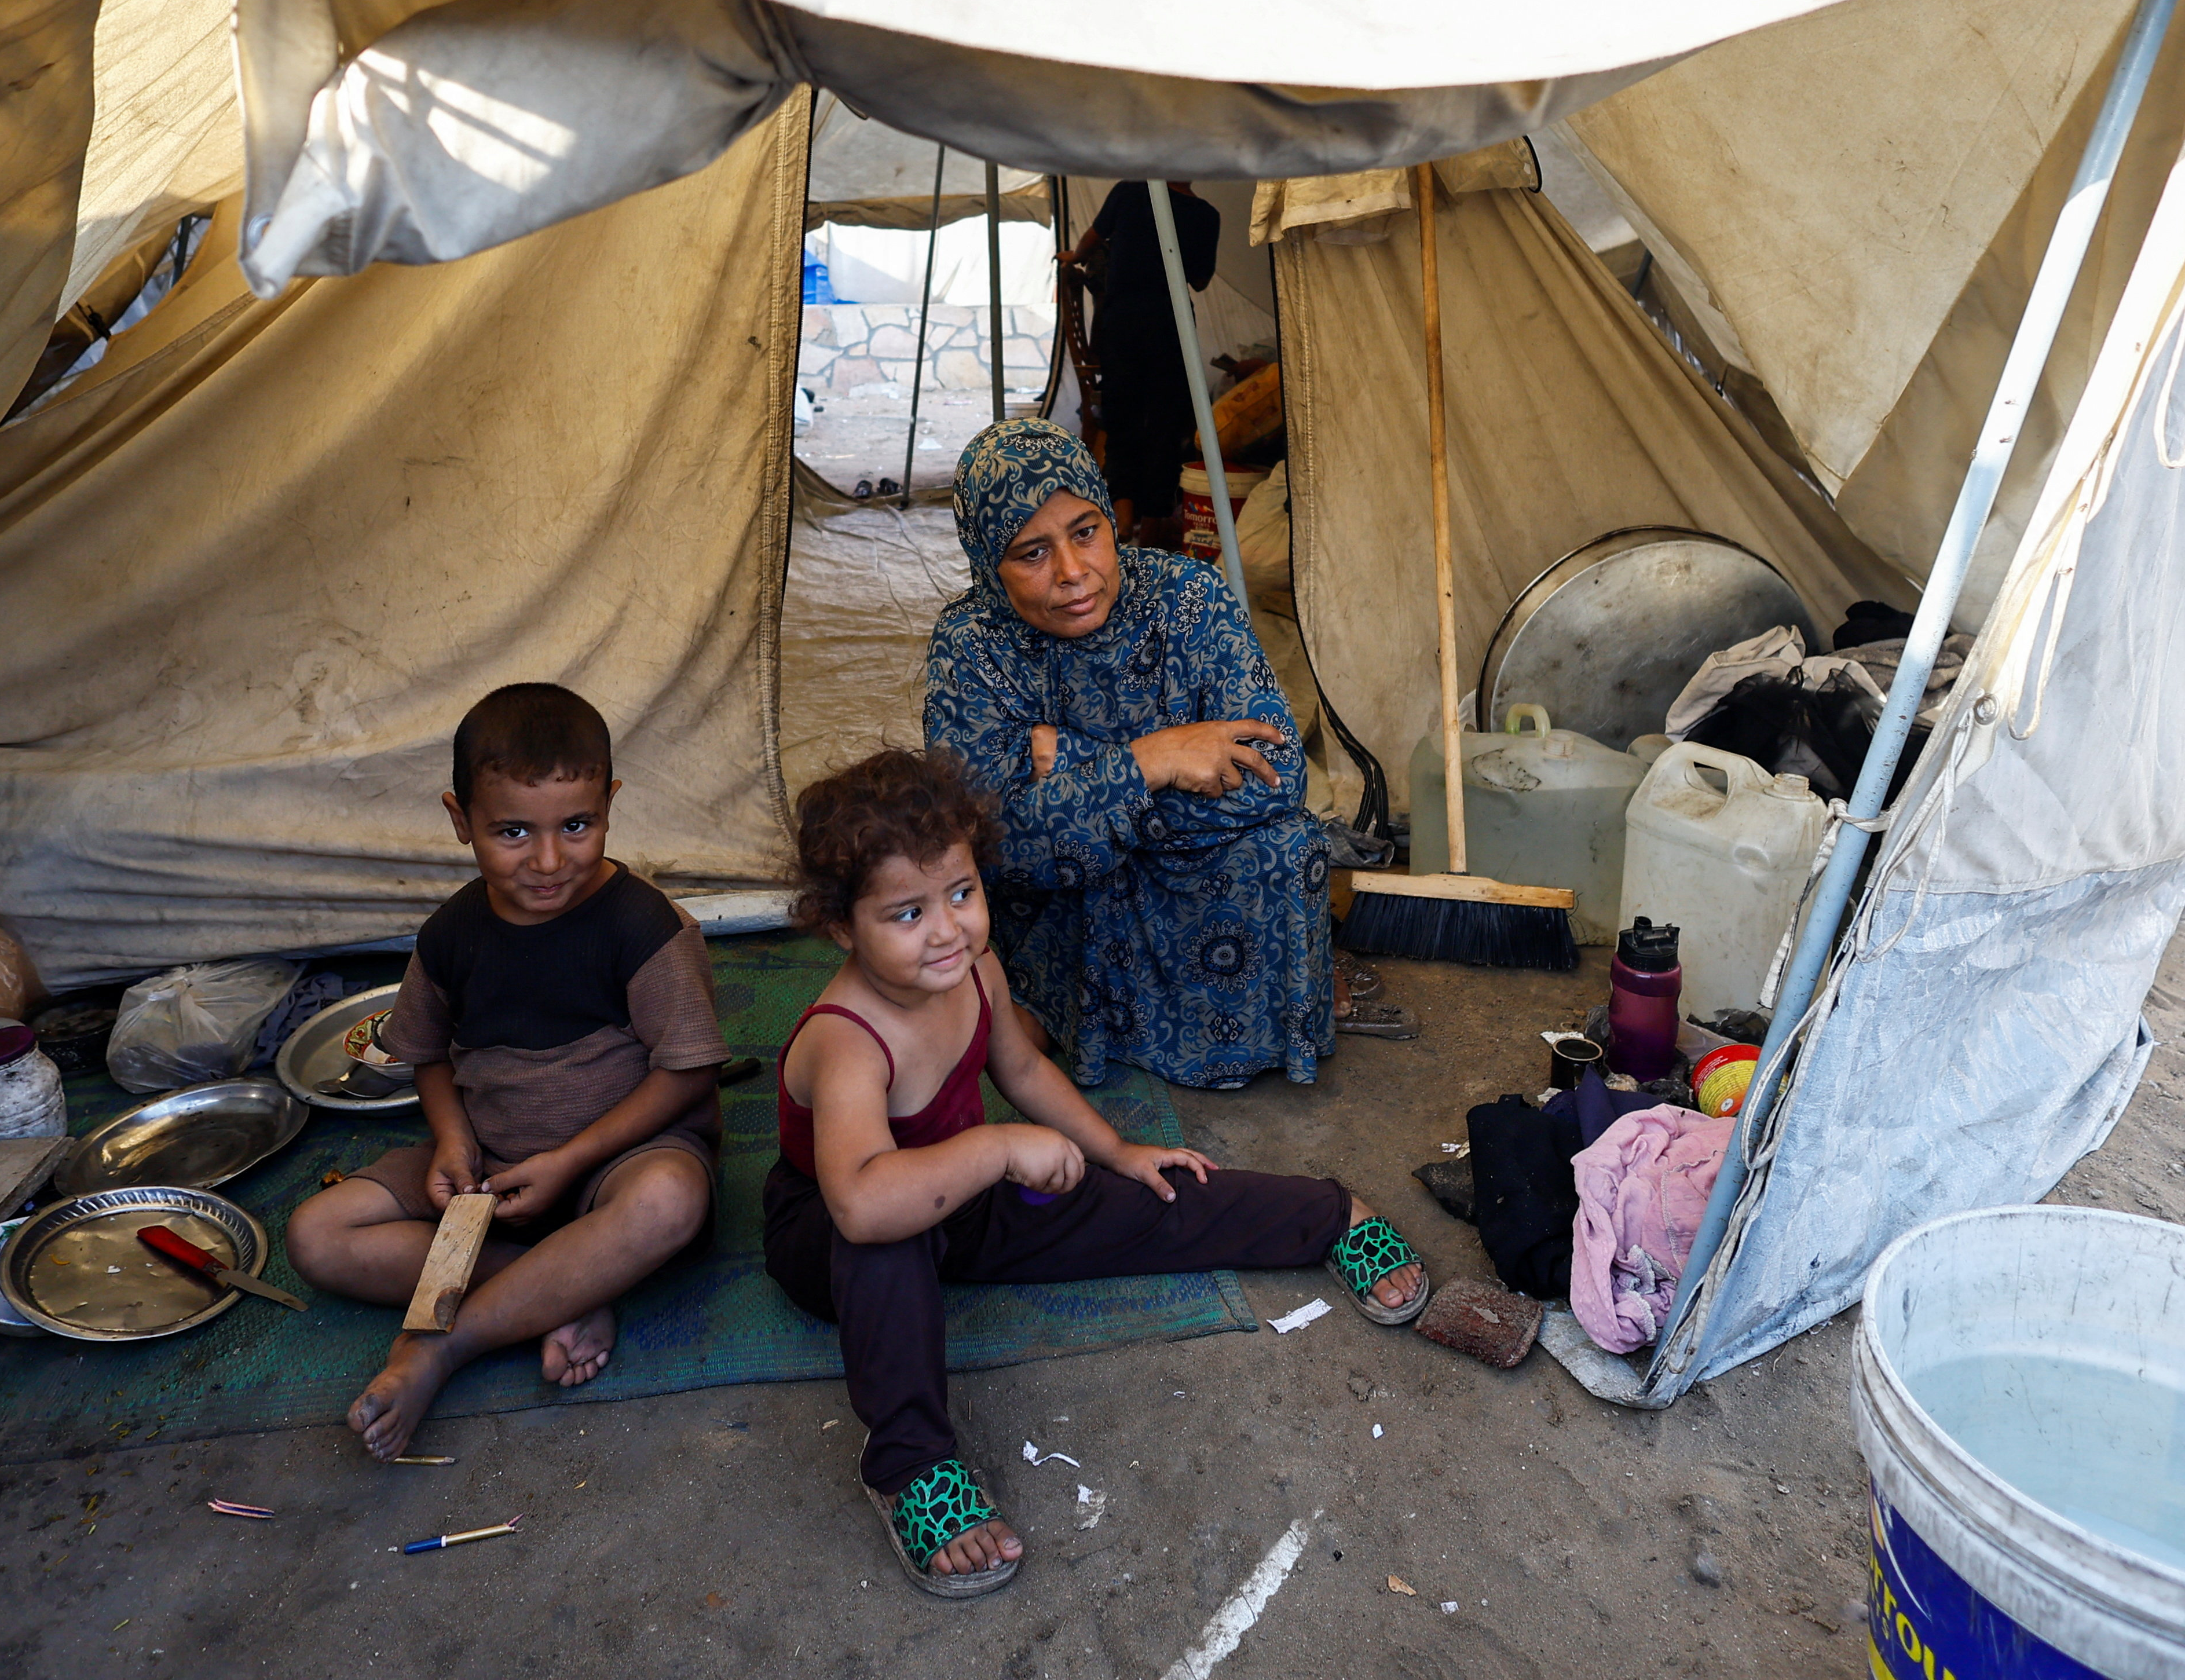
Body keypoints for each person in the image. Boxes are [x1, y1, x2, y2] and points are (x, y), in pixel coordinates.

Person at [762, 748, 1432, 1596]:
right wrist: (1001, 1149)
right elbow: (860, 1202)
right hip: (833, 1235)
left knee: (1145, 1192)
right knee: (889, 1243)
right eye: (906, 912)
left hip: (963, 1198)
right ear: (840, 926)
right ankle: (909, 1465)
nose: (947, 929)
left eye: (962, 893)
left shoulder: (974, 971)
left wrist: (1117, 1152)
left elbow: (1024, 1069)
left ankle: (1328, 1216)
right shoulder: (846, 1039)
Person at [286, 683, 727, 1461]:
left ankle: (443, 1346)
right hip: (489, 1167)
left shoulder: (646, 927)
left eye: (577, 824)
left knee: (669, 1199)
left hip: (614, 1164)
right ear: (461, 819)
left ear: (610, 804)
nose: (549, 860)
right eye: (513, 830)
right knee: (315, 1235)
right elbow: (426, 1053)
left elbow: (688, 1074)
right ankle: (560, 1287)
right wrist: (454, 1141)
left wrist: (570, 1160)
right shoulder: (450, 934)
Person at [923, 418, 1406, 1091]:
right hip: (1072, 893)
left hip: (1175, 864)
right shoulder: (971, 645)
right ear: (987, 561)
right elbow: (998, 839)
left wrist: (1080, 766)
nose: (1072, 572)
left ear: (1109, 519)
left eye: (1085, 532)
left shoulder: (1187, 596)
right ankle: (1068, 1011)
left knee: (1286, 843)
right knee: (1047, 885)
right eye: (1031, 553)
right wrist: (1152, 760)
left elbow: (1279, 777)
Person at [1056, 179, 1217, 546]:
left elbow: (1092, 239)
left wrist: (1075, 257)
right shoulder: (1206, 215)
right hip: (1172, 325)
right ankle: (1154, 524)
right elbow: (1200, 280)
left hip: (1122, 323)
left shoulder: (1129, 192)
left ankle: (1124, 510)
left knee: (1122, 414)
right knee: (1166, 423)